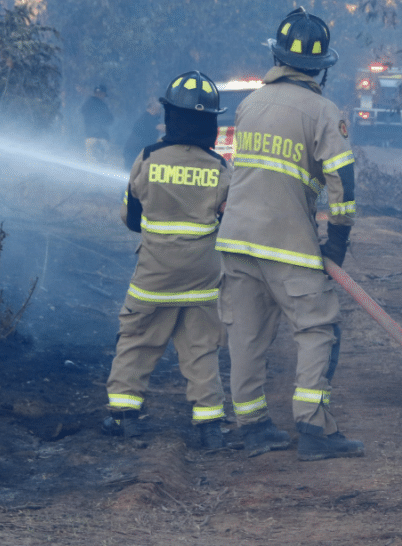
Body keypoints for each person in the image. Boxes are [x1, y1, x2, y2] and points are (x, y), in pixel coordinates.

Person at [215, 7, 362, 462]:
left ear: (277, 56)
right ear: (321, 65)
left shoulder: (251, 103)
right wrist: (337, 238)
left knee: (246, 335)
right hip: (288, 243)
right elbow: (342, 178)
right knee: (318, 328)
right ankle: (314, 428)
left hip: (237, 240)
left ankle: (253, 426)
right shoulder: (322, 111)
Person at [102, 71, 232, 451]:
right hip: (203, 275)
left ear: (170, 115)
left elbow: (131, 219)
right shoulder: (220, 168)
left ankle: (124, 416)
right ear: (210, 120)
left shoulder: (147, 158)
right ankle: (210, 427)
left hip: (155, 274)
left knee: (138, 339)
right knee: (201, 346)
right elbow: (228, 218)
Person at [122, 98, 164, 167]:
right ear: (154, 108)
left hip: (136, 152)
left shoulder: (148, 118)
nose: (161, 111)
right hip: (134, 152)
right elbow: (161, 127)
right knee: (131, 173)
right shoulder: (147, 118)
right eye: (159, 109)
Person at [81, 84, 114, 164]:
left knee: (91, 162)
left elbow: (82, 112)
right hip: (102, 137)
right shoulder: (104, 105)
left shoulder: (87, 103)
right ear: (103, 94)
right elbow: (110, 120)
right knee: (103, 162)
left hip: (90, 136)